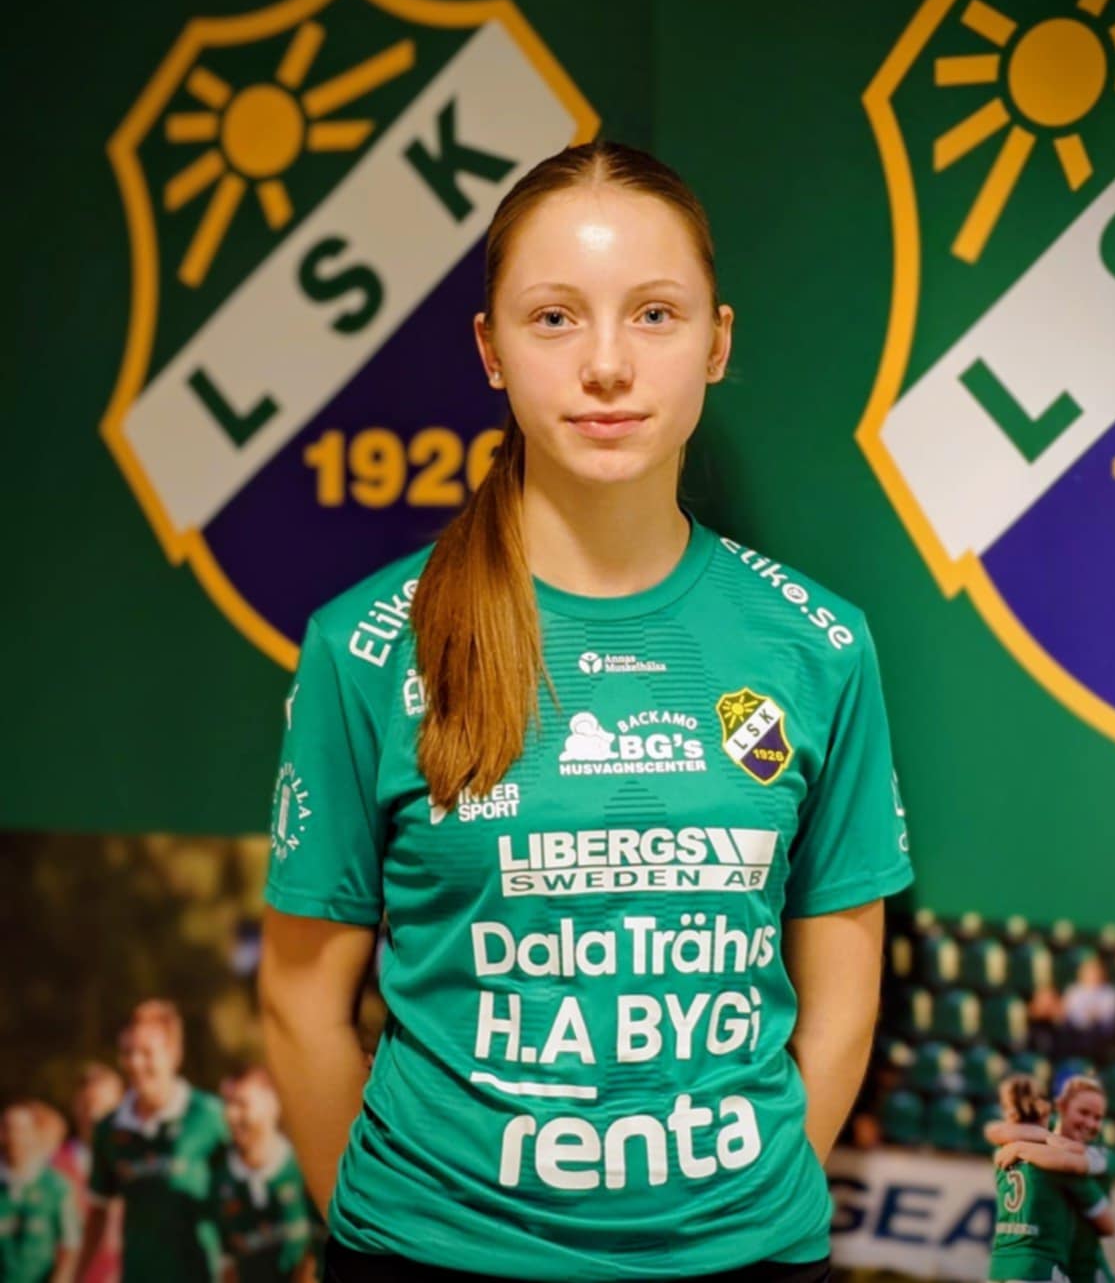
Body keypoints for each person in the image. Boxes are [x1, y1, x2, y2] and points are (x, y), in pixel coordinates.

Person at [259, 139, 914, 1282]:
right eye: (555, 318)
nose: (607, 365)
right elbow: (300, 1005)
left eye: (655, 315)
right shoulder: (362, 646)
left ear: (717, 342)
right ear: (491, 350)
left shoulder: (820, 644)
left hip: (743, 1258)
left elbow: (843, 998)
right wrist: (404, 1237)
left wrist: (737, 1217)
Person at [76, 1000, 229, 1282]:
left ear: (174, 1053)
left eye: (147, 1052)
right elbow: (98, 1212)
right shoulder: (109, 1129)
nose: (135, 1063)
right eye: (127, 1052)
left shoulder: (210, 1116)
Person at [988, 1076, 1115, 1283]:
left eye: (1098, 1117)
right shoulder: (1047, 1154)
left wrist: (1020, 1148)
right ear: (1060, 1107)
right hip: (1048, 1267)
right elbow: (995, 1130)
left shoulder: (1102, 1154)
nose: (1090, 1123)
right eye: (1083, 1112)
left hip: (1082, 1269)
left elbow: (1074, 1162)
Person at [209, 1066, 313, 1282]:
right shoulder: (217, 1177)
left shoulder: (306, 1167)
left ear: (272, 1104)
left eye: (241, 1103)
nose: (231, 1115)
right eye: (227, 1103)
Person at [51, 1064, 125, 1283]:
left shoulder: (136, 1165)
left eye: (104, 1107)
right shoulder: (52, 1165)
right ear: (75, 1106)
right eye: (86, 1104)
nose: (94, 1115)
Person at [0, 1101, 80, 1283]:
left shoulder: (56, 1186)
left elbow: (70, 1247)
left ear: (34, 1134)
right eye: (7, 1129)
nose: (14, 1136)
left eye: (21, 1130)